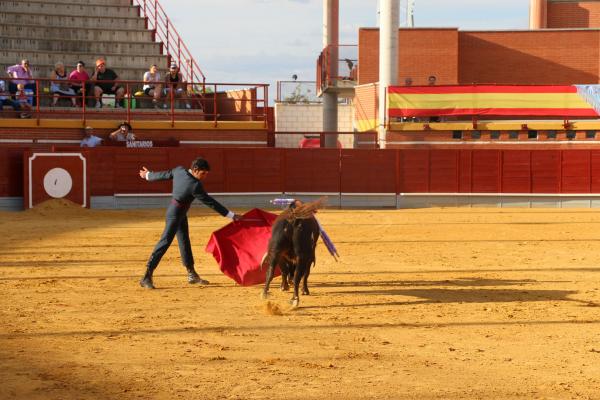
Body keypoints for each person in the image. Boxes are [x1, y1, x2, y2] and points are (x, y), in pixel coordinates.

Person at [138, 157, 242, 289]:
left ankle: (191, 274)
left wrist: (148, 175)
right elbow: (211, 203)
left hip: (178, 213)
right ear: (195, 170)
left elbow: (164, 174)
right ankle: (146, 276)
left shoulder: (179, 170)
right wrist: (232, 215)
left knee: (184, 241)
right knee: (164, 242)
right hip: (175, 214)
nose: (205, 176)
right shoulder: (195, 185)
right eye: (203, 173)